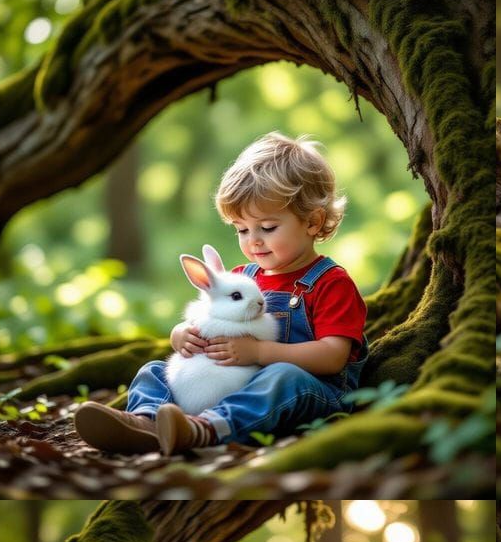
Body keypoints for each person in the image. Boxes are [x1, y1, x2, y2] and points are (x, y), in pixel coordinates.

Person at [75, 132, 367, 456]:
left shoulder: (331, 283)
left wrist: (260, 353)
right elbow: (205, 320)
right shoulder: (242, 278)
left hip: (310, 392)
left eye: (267, 228)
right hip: (234, 382)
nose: (253, 241)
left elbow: (333, 356)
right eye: (242, 230)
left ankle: (206, 428)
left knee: (282, 378)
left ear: (312, 222)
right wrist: (182, 336)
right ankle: (145, 423)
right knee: (155, 370)